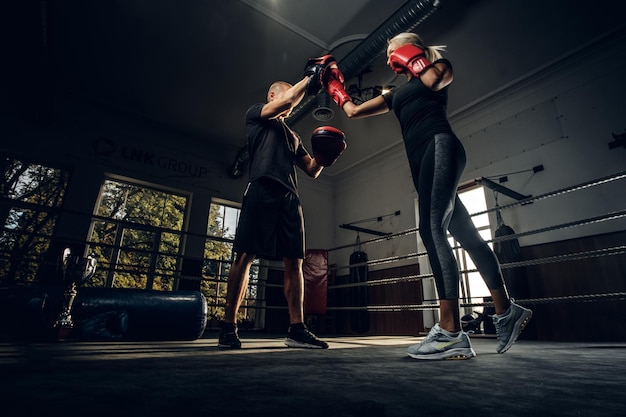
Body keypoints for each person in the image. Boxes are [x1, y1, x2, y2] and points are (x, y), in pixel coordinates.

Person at [321, 32, 532, 360]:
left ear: (411, 49)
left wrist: (416, 59)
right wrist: (335, 88)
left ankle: (449, 331)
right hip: (422, 160)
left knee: (431, 229)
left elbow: (435, 79)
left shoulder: (439, 68)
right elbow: (354, 111)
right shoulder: (395, 94)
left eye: (394, 49)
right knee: (468, 236)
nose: (389, 56)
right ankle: (507, 312)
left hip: (440, 145)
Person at [218, 72, 344, 350]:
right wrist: (311, 80)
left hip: (289, 197)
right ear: (272, 97)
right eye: (287, 97)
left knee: (294, 261)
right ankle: (228, 326)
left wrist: (326, 157)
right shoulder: (256, 116)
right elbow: (289, 101)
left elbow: (311, 170)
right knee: (245, 256)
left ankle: (297, 329)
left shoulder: (292, 136)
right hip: (262, 188)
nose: (291, 104)